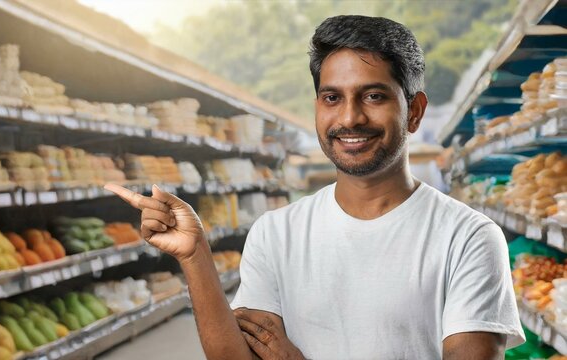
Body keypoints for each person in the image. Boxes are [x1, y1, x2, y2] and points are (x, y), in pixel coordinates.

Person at [106, 15, 525, 360]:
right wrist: (196, 256)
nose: (350, 118)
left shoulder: (467, 237)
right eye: (331, 98)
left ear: (413, 111)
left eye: (374, 96)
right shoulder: (276, 233)